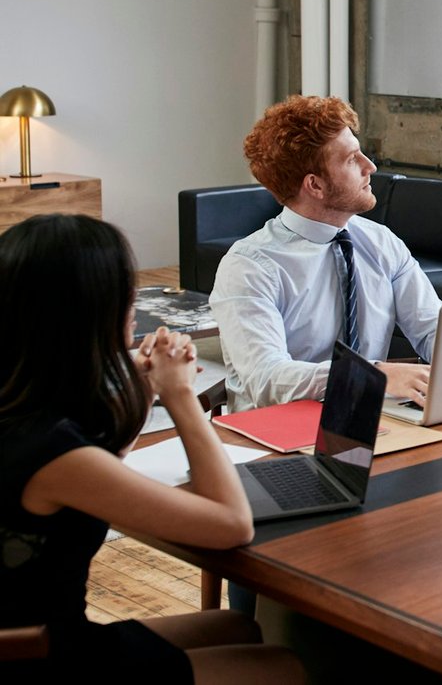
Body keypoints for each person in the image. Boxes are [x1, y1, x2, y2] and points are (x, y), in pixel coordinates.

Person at [0, 214, 304, 684]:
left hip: (33, 636)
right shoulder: (56, 455)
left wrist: (142, 392)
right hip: (40, 656)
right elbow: (231, 524)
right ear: (91, 316)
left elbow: (103, 469)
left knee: (239, 624)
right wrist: (182, 397)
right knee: (280, 666)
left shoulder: (23, 412)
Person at [211, 95, 437, 412]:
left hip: (368, 418)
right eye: (351, 159)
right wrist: (373, 375)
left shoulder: (380, 241)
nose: (370, 166)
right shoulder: (249, 266)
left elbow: (432, 330)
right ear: (315, 185)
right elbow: (266, 378)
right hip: (275, 434)